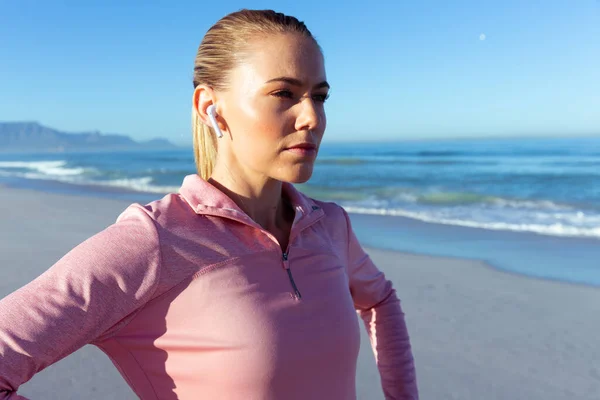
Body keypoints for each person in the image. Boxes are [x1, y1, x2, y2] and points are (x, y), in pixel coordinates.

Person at [0, 9, 418, 400]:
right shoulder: (156, 243)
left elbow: (379, 299)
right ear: (210, 107)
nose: (312, 117)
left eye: (320, 96)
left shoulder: (330, 226)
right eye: (284, 93)